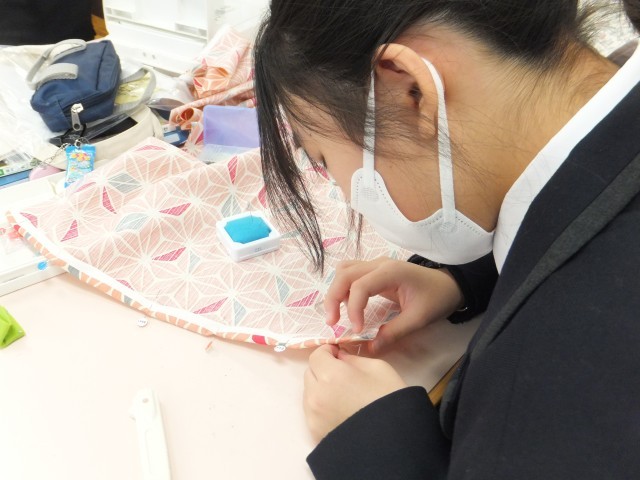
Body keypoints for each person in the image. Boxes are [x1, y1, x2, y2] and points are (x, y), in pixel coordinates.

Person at [254, 0, 640, 478]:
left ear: (408, 88)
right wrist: (465, 278)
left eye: (325, 160)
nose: (344, 192)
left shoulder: (551, 377)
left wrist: (377, 443)